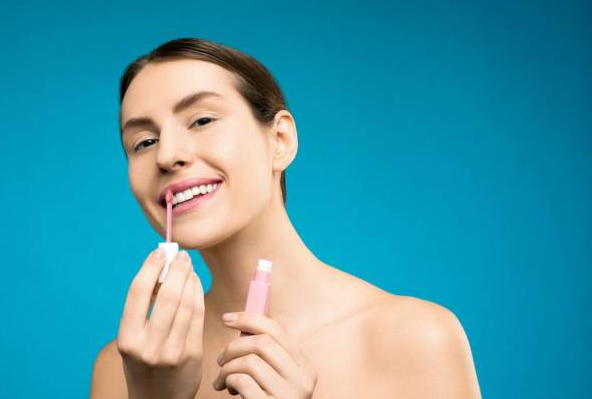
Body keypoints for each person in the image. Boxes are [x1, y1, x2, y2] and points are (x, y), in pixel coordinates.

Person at [90, 37, 482, 398]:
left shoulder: (415, 339)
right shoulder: (123, 370)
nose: (167, 155)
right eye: (144, 142)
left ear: (281, 140)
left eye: (202, 120)